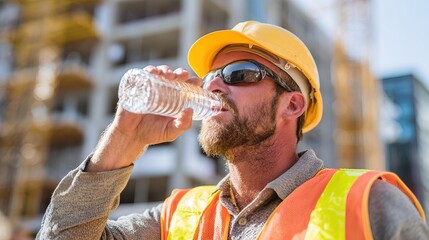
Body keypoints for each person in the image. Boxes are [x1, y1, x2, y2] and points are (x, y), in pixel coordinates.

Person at [37, 21, 428, 239]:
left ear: (293, 104)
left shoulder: (368, 203)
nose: (213, 87)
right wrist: (122, 139)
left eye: (239, 74)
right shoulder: (176, 217)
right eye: (209, 79)